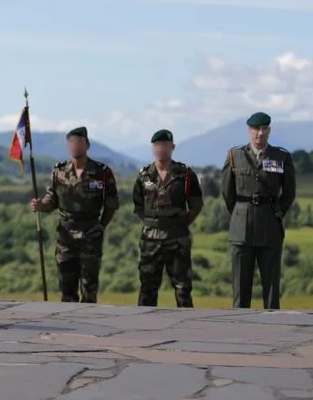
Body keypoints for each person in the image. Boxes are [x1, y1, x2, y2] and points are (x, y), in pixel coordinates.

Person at [31, 126, 119, 303]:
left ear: (87, 145)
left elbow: (111, 204)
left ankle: (89, 319)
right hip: (66, 237)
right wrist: (41, 205)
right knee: (66, 288)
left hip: (91, 234)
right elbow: (51, 200)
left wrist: (101, 226)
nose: (75, 146)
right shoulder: (59, 171)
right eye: (71, 143)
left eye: (79, 142)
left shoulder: (101, 172)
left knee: (89, 288)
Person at [221, 111, 296, 309]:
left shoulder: (281, 156)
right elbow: (228, 193)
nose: (260, 133)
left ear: (269, 130)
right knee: (240, 289)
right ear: (249, 130)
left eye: (264, 129)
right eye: (256, 129)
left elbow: (289, 193)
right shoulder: (235, 156)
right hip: (241, 230)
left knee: (271, 289)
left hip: (269, 227)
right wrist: (241, 213)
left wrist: (276, 213)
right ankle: (240, 324)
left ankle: (272, 325)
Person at [132, 129, 203, 307]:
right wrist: (152, 223)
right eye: (157, 145)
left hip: (177, 238)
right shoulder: (144, 175)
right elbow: (138, 205)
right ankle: (144, 323)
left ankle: (187, 323)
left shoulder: (185, 174)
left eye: (165, 145)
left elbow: (196, 204)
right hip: (150, 240)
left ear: (172, 147)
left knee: (183, 288)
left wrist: (180, 223)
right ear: (153, 148)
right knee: (147, 287)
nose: (161, 149)